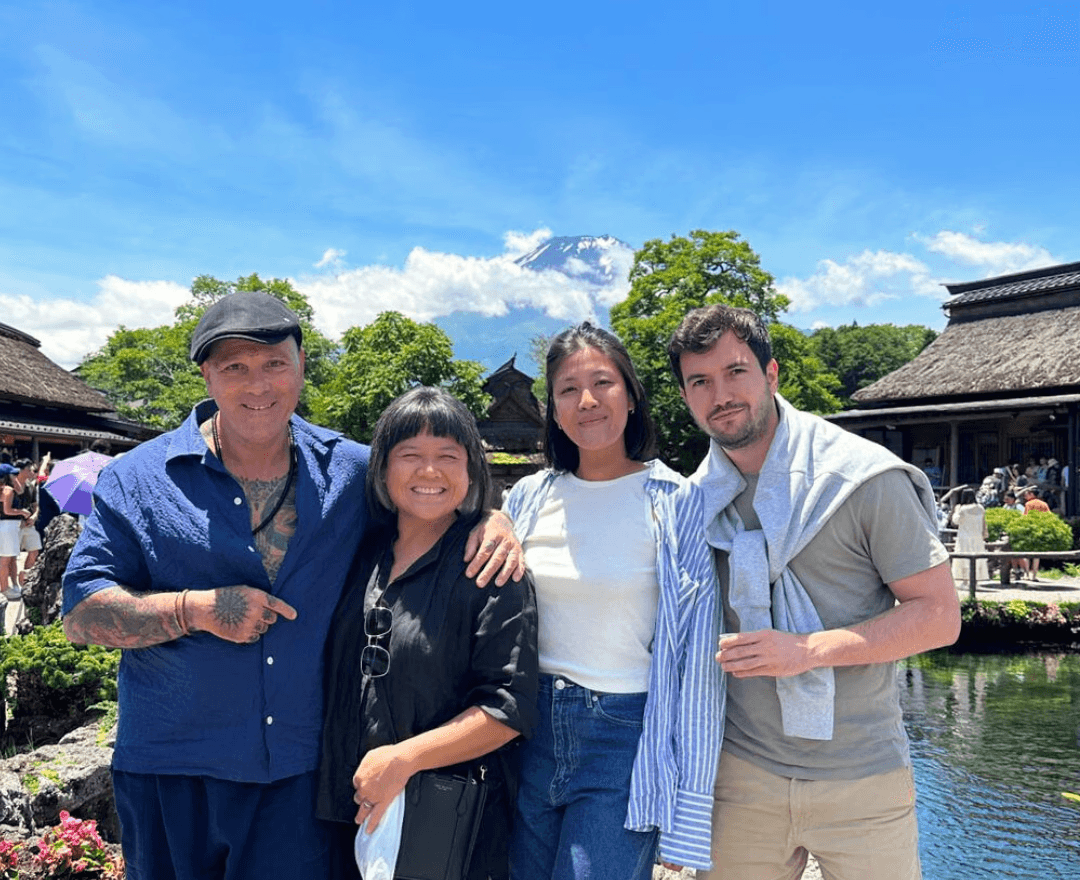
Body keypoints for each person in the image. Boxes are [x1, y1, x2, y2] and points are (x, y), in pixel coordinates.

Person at [61, 291, 522, 880]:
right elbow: (80, 613)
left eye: (275, 363)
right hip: (169, 769)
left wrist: (492, 516)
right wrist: (192, 609)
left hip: (302, 776)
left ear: (301, 366)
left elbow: (427, 498)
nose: (259, 384)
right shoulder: (138, 478)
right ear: (206, 375)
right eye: (235, 367)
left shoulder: (351, 471)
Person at [667, 304, 961, 880]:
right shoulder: (692, 503)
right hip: (741, 774)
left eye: (736, 372)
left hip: (864, 776)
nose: (720, 394)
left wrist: (807, 651)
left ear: (772, 374)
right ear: (685, 396)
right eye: (700, 381)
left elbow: (938, 616)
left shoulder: (861, 478)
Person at [505, 322, 723, 879]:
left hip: (622, 734)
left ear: (630, 394)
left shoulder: (675, 502)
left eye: (603, 382)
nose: (587, 401)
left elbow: (698, 663)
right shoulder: (530, 497)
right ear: (552, 409)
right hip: (527, 728)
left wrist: (689, 813)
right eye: (567, 389)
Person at [318, 387, 539, 880]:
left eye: (447, 456)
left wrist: (406, 759)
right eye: (409, 455)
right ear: (382, 467)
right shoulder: (357, 553)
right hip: (341, 809)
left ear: (471, 470)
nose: (429, 472)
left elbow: (508, 708)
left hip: (442, 825)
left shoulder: (491, 568)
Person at [0, 461, 34, 600]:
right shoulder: (7, 490)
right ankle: (4, 588)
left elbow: (20, 491)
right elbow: (7, 510)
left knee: (11, 559)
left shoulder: (5, 488)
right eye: (13, 474)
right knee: (5, 560)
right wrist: (23, 512)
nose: (16, 475)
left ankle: (12, 585)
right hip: (7, 526)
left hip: (8, 527)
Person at [950, 488, 988, 587]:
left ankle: (966, 581)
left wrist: (956, 510)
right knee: (978, 559)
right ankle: (976, 581)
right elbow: (984, 522)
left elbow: (956, 521)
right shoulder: (980, 508)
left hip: (964, 536)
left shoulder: (962, 509)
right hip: (977, 537)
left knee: (964, 558)